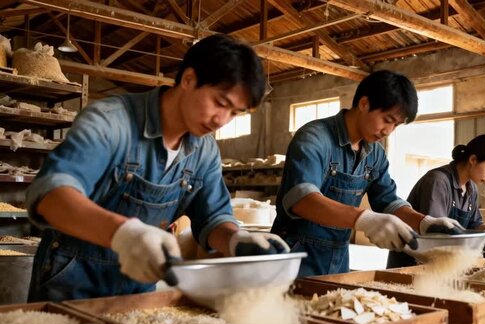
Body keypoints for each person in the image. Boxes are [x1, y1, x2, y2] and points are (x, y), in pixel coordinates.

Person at [25, 34, 289, 302]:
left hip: (139, 285)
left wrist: (237, 241)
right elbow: (51, 195)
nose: (222, 120)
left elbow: (212, 218)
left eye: (235, 113)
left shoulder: (205, 150)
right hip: (71, 280)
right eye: (220, 103)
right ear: (188, 79)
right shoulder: (110, 121)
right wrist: (125, 234)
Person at [271, 70, 457, 277]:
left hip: (338, 254)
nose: (388, 131)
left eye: (396, 125)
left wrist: (425, 222)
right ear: (364, 104)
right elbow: (302, 199)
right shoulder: (314, 138)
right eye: (387, 119)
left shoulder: (375, 153)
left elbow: (387, 201)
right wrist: (364, 219)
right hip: (296, 253)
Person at [386, 134, 485, 268]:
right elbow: (436, 231)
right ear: (473, 159)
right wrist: (477, 237)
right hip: (412, 261)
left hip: (441, 261)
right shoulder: (438, 181)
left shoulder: (472, 189)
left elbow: (473, 224)